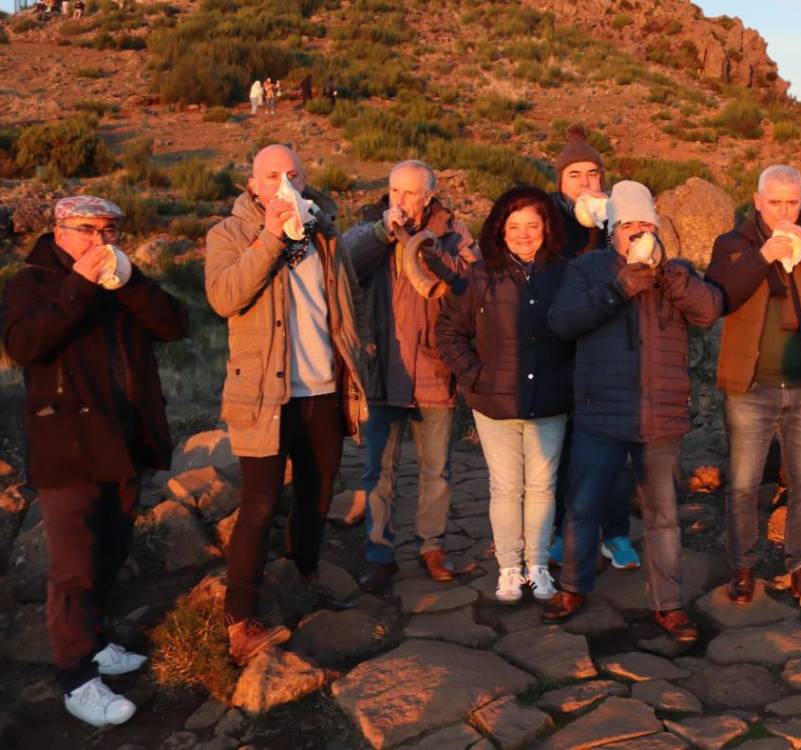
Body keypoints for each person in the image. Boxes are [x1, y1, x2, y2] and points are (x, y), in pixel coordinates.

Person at [3, 196, 188, 727]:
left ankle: (98, 639)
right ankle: (75, 677)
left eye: (111, 230)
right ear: (61, 230)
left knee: (112, 548)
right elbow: (24, 345)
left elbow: (176, 325)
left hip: (125, 439)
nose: (103, 241)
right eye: (90, 230)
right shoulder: (31, 282)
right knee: (73, 566)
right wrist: (80, 286)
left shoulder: (119, 276)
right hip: (68, 443)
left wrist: (131, 282)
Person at [205, 145, 366, 665]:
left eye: (293, 174)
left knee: (317, 496)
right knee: (259, 505)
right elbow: (226, 297)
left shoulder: (326, 231)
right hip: (264, 395)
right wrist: (271, 236)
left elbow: (346, 302)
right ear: (252, 185)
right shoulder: (227, 234)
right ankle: (240, 621)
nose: (283, 183)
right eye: (271, 175)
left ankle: (305, 576)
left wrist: (359, 361)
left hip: (322, 388)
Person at [541, 181, 722, 643]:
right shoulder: (588, 269)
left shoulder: (675, 270)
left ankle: (669, 603)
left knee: (663, 515)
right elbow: (562, 322)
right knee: (583, 506)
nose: (636, 232)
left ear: (657, 229)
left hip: (659, 417)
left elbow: (707, 312)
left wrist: (668, 276)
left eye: (644, 224)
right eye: (627, 225)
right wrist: (618, 289)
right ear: (611, 231)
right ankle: (572, 587)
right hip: (601, 412)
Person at [706, 165, 801, 602]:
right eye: (775, 202)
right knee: (743, 483)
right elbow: (722, 294)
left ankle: (799, 561)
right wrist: (764, 254)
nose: (784, 211)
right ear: (757, 200)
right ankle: (743, 566)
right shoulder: (732, 244)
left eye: (792, 202)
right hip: (751, 385)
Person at [437, 187, 574, 604]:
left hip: (550, 398)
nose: (524, 234)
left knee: (542, 487)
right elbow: (449, 331)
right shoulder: (479, 276)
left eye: (532, 225)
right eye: (514, 226)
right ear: (500, 230)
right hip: (493, 400)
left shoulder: (565, 274)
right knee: (505, 487)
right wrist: (474, 374)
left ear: (547, 228)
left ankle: (537, 566)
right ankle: (509, 569)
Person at [343, 161, 472, 592]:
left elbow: (468, 282)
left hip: (434, 369)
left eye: (409, 192)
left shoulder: (453, 234)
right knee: (378, 470)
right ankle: (380, 553)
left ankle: (431, 545)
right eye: (394, 189)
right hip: (384, 369)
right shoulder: (368, 229)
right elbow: (343, 269)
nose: (399, 199)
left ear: (429, 197)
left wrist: (427, 249)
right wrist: (384, 233)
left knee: (437, 470)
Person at [543, 126, 640, 572]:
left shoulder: (620, 223)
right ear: (560, 183)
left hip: (611, 356)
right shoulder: (550, 225)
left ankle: (616, 533)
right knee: (568, 454)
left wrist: (606, 230)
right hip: (562, 351)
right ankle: (567, 530)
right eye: (574, 175)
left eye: (592, 173)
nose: (585, 182)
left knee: (614, 455)